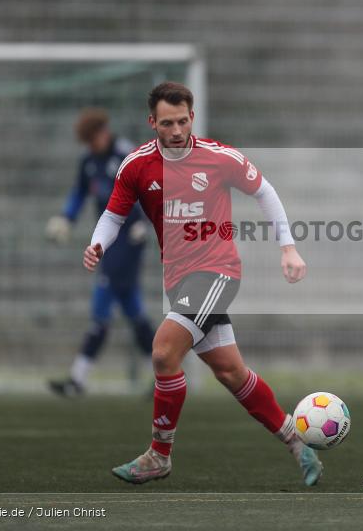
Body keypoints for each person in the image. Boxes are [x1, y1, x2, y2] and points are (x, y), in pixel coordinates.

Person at [84, 82, 323, 486]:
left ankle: (159, 455)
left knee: (162, 353)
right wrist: (97, 244)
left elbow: (265, 192)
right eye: (167, 123)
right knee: (231, 372)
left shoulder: (219, 157)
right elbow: (113, 215)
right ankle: (297, 442)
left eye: (182, 121)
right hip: (178, 279)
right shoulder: (136, 166)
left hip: (217, 271)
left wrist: (288, 248)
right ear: (152, 123)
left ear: (192, 117)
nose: (176, 130)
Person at [46, 109, 155, 396]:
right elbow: (80, 193)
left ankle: (77, 379)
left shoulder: (125, 154)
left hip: (130, 238)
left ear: (104, 132)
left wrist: (144, 220)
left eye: (94, 138)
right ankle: (163, 378)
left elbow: (149, 186)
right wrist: (66, 218)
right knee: (133, 310)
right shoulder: (88, 161)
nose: (93, 145)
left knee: (103, 303)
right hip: (107, 240)